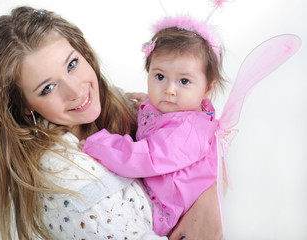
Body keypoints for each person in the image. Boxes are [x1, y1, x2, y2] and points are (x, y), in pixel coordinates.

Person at [0, 6, 223, 240]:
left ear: (84, 53)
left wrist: (207, 201)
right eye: (48, 88)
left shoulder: (127, 106)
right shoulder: (68, 183)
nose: (76, 91)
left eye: (72, 64)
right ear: (24, 105)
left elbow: (206, 142)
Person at [82, 15, 226, 236]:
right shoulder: (181, 109)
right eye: (160, 76)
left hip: (164, 209)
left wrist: (99, 144)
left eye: (184, 81)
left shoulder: (187, 132)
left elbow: (144, 156)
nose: (169, 90)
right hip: (159, 190)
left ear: (207, 89)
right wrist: (147, 103)